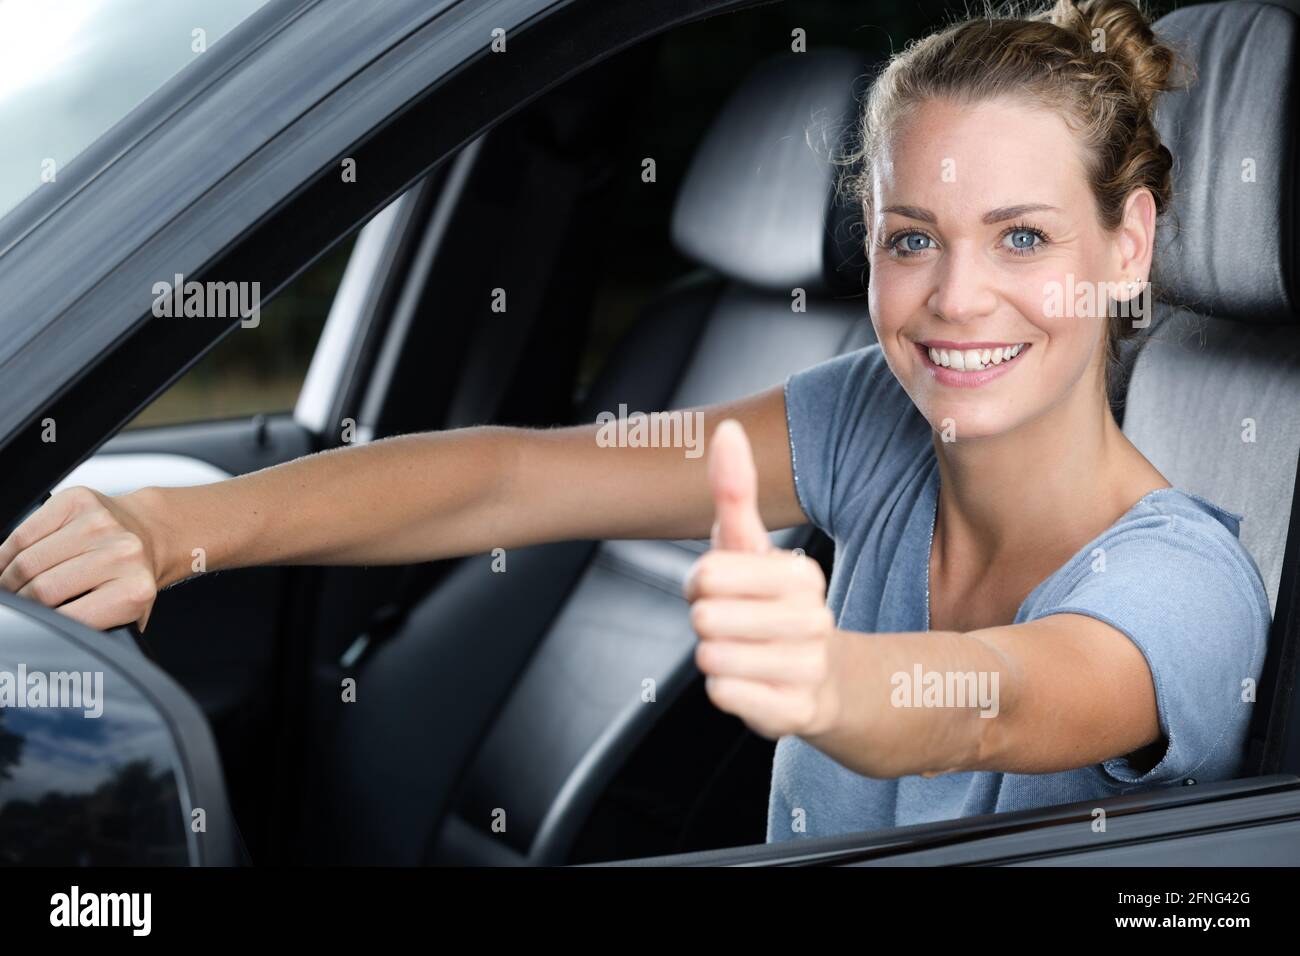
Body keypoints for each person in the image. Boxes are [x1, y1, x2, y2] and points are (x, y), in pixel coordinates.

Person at [0, 0, 1272, 844]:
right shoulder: (871, 427)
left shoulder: (1181, 582)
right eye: (909, 240)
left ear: (1129, 246)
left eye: (1024, 237)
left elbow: (994, 700)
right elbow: (511, 480)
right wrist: (176, 522)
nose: (954, 297)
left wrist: (826, 677)